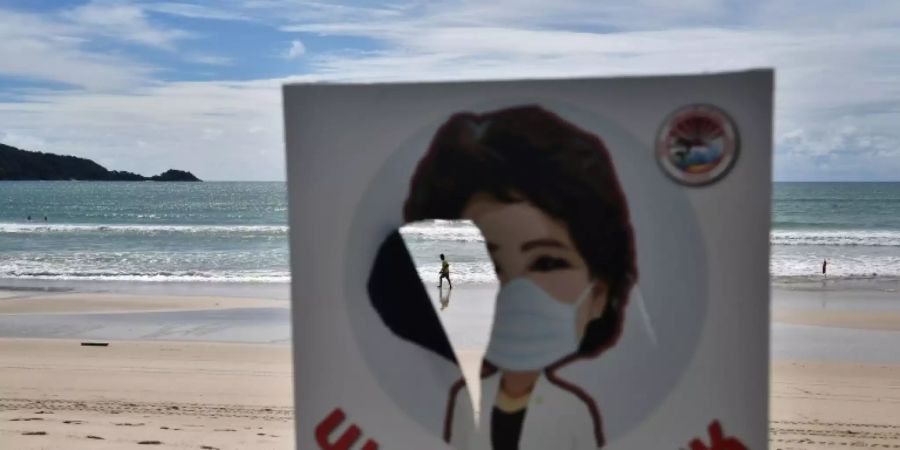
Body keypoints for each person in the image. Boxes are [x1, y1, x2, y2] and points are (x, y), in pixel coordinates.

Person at [404, 105, 639, 449]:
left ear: (600, 293)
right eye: (483, 265)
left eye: (547, 263)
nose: (514, 294)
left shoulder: (572, 412)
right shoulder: (465, 404)